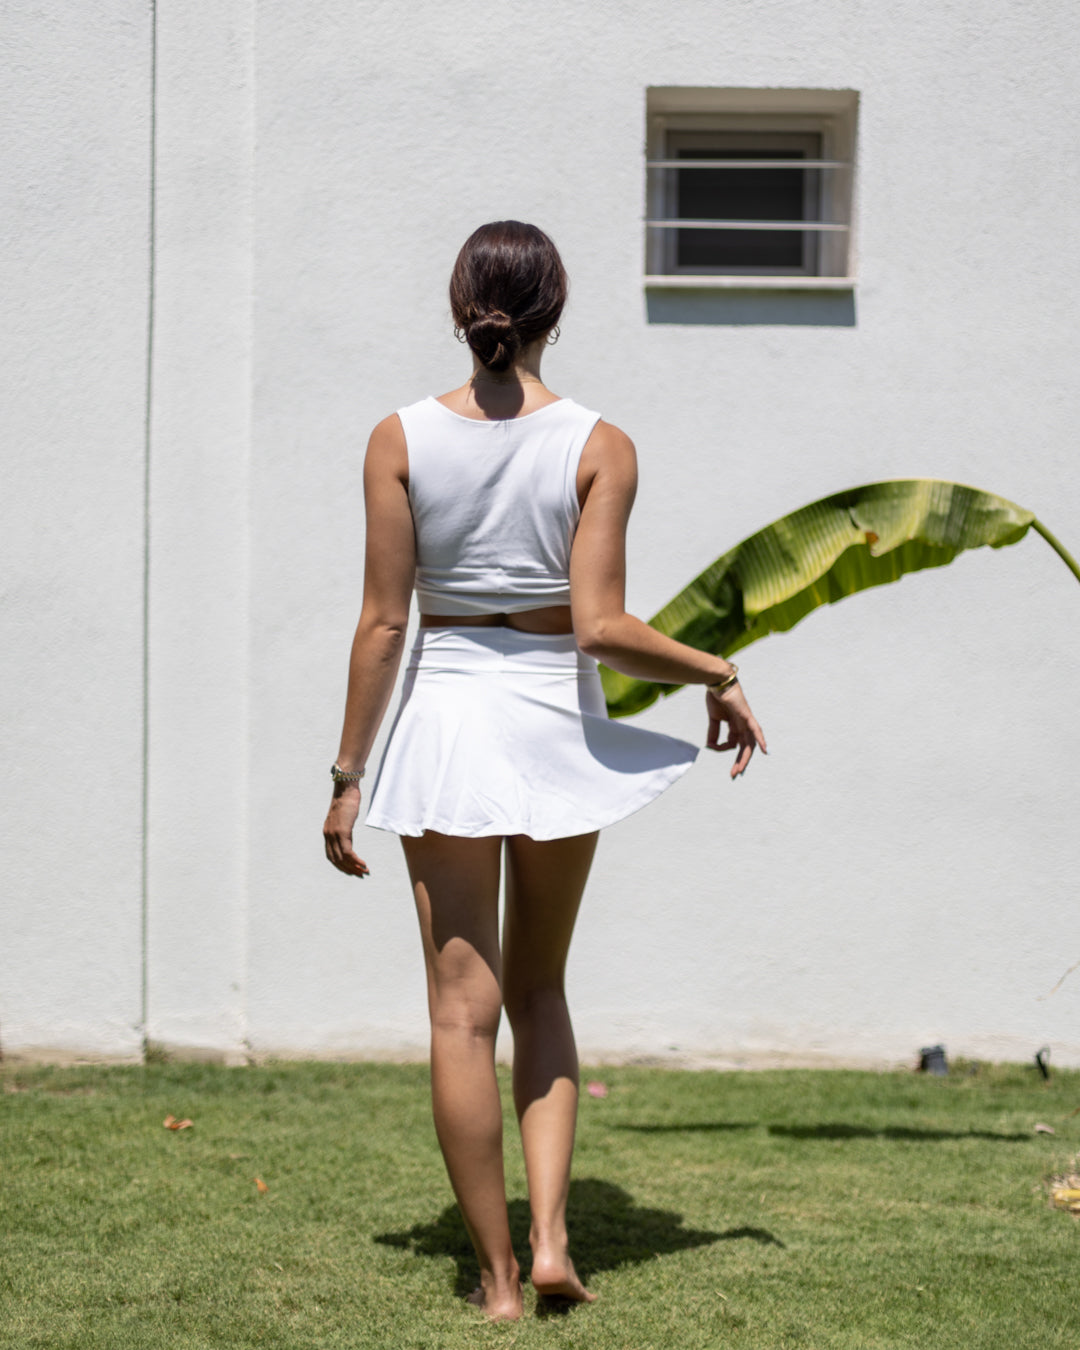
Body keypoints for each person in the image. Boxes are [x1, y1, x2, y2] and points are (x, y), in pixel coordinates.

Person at [323, 221, 766, 1321]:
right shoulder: (599, 443)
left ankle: (502, 1283)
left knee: (460, 1017)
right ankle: (556, 1238)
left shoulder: (399, 437)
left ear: (460, 305)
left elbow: (384, 623)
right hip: (550, 729)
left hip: (447, 725)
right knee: (543, 991)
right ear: (556, 311)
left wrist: (346, 773)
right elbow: (602, 627)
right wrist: (717, 667)